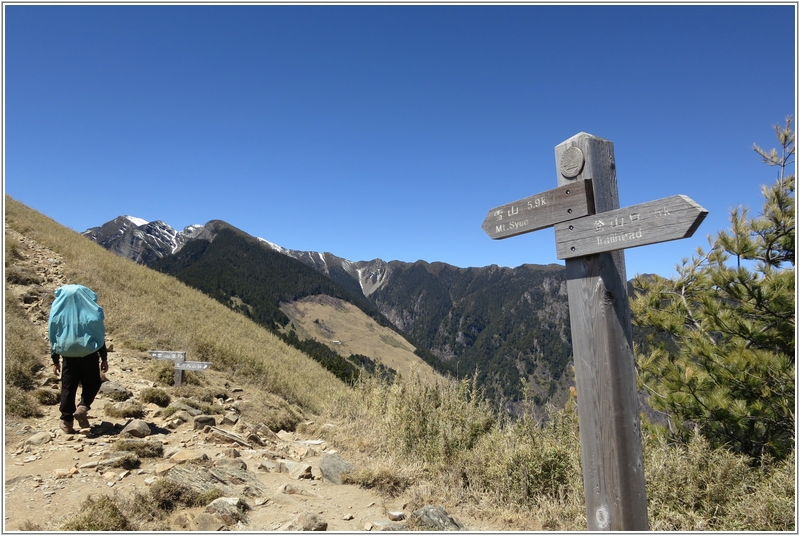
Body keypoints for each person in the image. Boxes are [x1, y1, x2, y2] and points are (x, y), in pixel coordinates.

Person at [48, 284, 109, 434]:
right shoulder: (91, 311)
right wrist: (104, 358)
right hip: (89, 355)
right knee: (93, 383)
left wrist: (55, 360)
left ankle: (66, 421)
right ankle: (83, 406)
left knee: (68, 388)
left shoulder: (58, 313)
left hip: (68, 356)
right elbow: (99, 337)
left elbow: (53, 336)